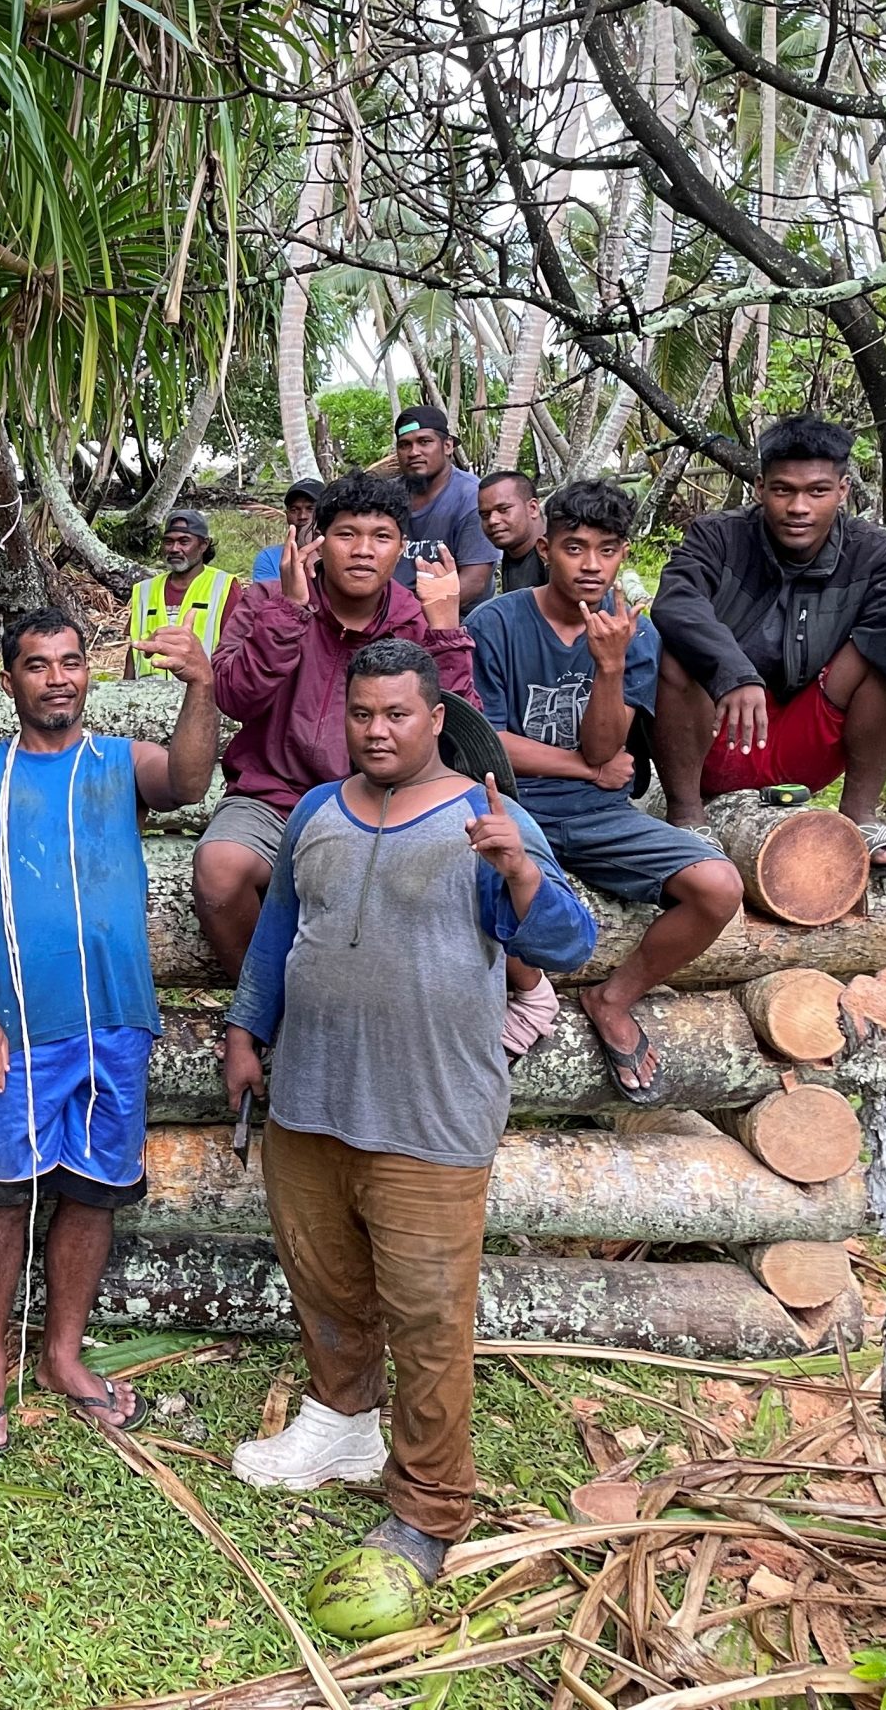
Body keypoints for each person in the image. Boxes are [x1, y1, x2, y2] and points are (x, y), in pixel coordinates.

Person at [225, 638, 595, 1601]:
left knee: (430, 1317)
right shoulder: (315, 811)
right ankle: (343, 1422)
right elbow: (276, 935)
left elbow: (569, 938)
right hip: (310, 1099)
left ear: (437, 720)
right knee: (327, 1279)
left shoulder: (488, 818)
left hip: (430, 1112)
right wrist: (244, 1030)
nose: (378, 730)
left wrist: (518, 870)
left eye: (397, 714)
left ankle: (430, 1506)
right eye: (362, 714)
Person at [0, 608, 222, 1452]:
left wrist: (201, 686)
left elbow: (187, 780)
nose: (58, 677)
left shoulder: (116, 762)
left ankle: (62, 1355)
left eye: (71, 662)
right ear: (8, 682)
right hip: (19, 1023)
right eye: (38, 665)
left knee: (94, 1190)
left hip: (116, 1021)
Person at [467, 482, 744, 1102]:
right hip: (512, 802)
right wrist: (587, 769)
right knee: (499, 886)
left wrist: (611, 666)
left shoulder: (632, 634)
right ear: (544, 549)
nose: (591, 565)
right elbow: (487, 743)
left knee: (719, 886)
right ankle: (523, 1000)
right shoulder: (494, 623)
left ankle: (613, 997)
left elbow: (604, 747)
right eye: (575, 548)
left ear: (624, 555)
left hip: (598, 814)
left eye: (608, 550)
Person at [651, 414, 886, 872]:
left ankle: (859, 816)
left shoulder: (877, 555)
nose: (799, 507)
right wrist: (733, 673)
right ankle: (686, 817)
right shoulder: (717, 537)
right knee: (676, 650)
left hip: (803, 742)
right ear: (759, 488)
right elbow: (677, 603)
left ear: (842, 492)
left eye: (817, 491)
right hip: (717, 735)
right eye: (784, 490)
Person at [193, 473, 477, 986]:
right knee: (219, 874)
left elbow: (456, 736)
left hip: (378, 800)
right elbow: (234, 696)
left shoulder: (416, 620)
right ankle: (265, 1005)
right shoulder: (264, 601)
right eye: (347, 534)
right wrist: (290, 612)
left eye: (382, 537)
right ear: (318, 541)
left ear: (402, 548)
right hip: (270, 794)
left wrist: (445, 630)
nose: (363, 551)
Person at [389, 404, 499, 609]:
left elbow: (474, 582)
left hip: (457, 615)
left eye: (424, 442)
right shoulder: (387, 496)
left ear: (447, 446)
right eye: (404, 445)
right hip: (392, 613)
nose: (414, 452)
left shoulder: (471, 496)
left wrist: (409, 617)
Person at [124, 508, 237, 679]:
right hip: (148, 695)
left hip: (200, 692)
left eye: (184, 542)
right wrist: (126, 692)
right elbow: (133, 651)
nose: (174, 549)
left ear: (203, 545)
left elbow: (235, 648)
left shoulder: (224, 586)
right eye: (168, 542)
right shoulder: (144, 590)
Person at [476, 470, 547, 595]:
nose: (492, 520)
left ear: (533, 508)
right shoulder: (513, 549)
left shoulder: (555, 557)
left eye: (503, 509)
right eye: (485, 515)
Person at [249, 479, 322, 582]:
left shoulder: (341, 552)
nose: (302, 516)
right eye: (294, 510)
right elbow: (268, 597)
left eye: (310, 509)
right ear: (286, 514)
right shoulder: (269, 558)